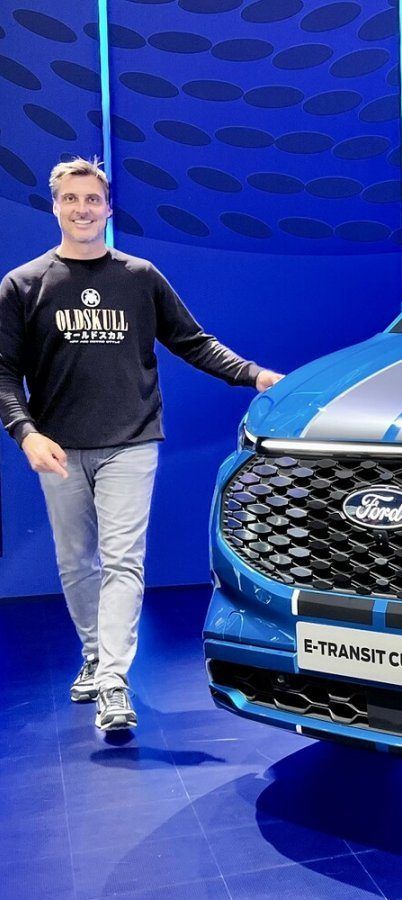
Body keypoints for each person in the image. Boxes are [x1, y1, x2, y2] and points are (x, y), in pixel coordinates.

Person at [0, 157, 283, 731]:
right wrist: (26, 434)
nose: (83, 208)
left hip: (132, 441)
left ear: (108, 207)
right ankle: (91, 653)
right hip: (57, 448)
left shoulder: (139, 277)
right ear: (55, 206)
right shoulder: (24, 284)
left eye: (93, 199)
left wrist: (254, 375)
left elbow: (193, 342)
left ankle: (112, 680)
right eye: (71, 199)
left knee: (123, 560)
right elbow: (3, 372)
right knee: (76, 561)